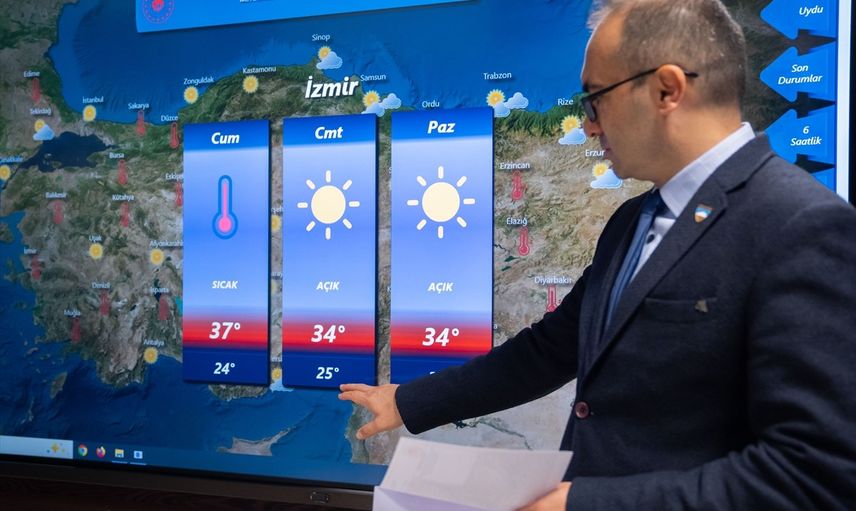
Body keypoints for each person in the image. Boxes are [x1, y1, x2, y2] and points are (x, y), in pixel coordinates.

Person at [340, 0, 856, 509]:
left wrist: (582, 502)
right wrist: (408, 401)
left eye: (595, 100)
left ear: (667, 89)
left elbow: (813, 474)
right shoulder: (633, 220)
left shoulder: (801, 226)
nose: (588, 125)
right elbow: (550, 350)